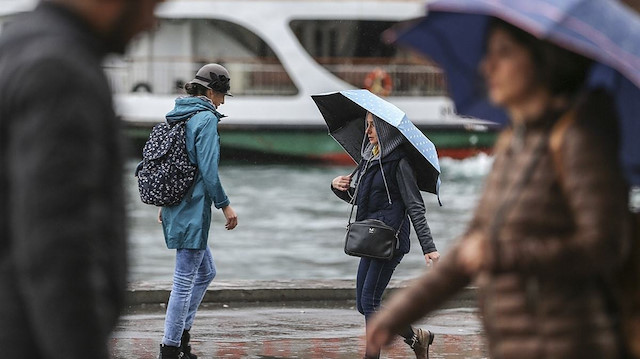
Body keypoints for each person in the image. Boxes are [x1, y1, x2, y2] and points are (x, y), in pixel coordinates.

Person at [366, 19, 631, 359]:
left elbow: (604, 246)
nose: (487, 65)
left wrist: (501, 254)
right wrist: (394, 317)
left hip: (568, 342)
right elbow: (470, 249)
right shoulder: (513, 143)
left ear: (543, 61)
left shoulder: (580, 140)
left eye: (503, 53)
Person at [0, 0, 161, 358]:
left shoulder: (18, 43)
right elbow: (56, 246)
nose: (152, 22)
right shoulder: (60, 69)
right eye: (152, 5)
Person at [331, 112, 441, 359]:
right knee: (363, 304)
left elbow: (415, 206)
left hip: (390, 240)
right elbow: (360, 201)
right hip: (370, 239)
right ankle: (416, 338)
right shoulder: (368, 159)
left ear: (386, 130)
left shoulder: (400, 163)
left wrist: (429, 247)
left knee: (370, 301)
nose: (368, 131)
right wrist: (338, 188)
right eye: (367, 125)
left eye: (373, 126)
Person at [157, 63, 238, 359]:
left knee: (206, 272)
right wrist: (225, 205)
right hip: (191, 209)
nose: (223, 100)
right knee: (183, 280)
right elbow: (208, 170)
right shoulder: (204, 119)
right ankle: (170, 347)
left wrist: (165, 203)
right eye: (220, 93)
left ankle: (181, 336)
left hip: (177, 204)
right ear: (208, 91)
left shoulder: (181, 114)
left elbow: (169, 163)